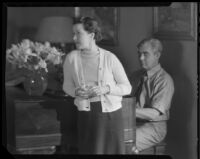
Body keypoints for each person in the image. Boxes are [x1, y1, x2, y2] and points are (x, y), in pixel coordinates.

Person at [62, 16, 132, 154]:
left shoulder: (109, 58)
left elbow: (127, 87)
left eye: (78, 33)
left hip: (110, 117)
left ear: (91, 35)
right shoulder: (71, 58)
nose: (74, 38)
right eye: (73, 34)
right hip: (86, 116)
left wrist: (106, 89)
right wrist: (76, 92)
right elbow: (66, 86)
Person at [130, 38, 174, 153]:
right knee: (106, 135)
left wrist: (126, 110)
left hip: (154, 127)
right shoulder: (135, 76)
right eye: (139, 54)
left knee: (122, 140)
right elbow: (123, 97)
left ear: (157, 55)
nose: (141, 58)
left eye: (145, 54)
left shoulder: (164, 80)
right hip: (132, 122)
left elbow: (154, 114)